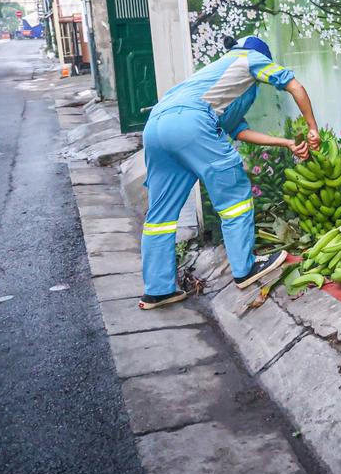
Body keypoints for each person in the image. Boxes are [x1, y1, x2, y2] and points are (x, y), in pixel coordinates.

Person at [137, 35, 321, 310]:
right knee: (234, 193)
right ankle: (245, 269)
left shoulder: (218, 80)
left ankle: (158, 290)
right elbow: (294, 85)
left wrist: (286, 143)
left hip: (156, 127)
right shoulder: (249, 58)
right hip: (190, 121)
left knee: (160, 215)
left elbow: (240, 131)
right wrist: (312, 127)